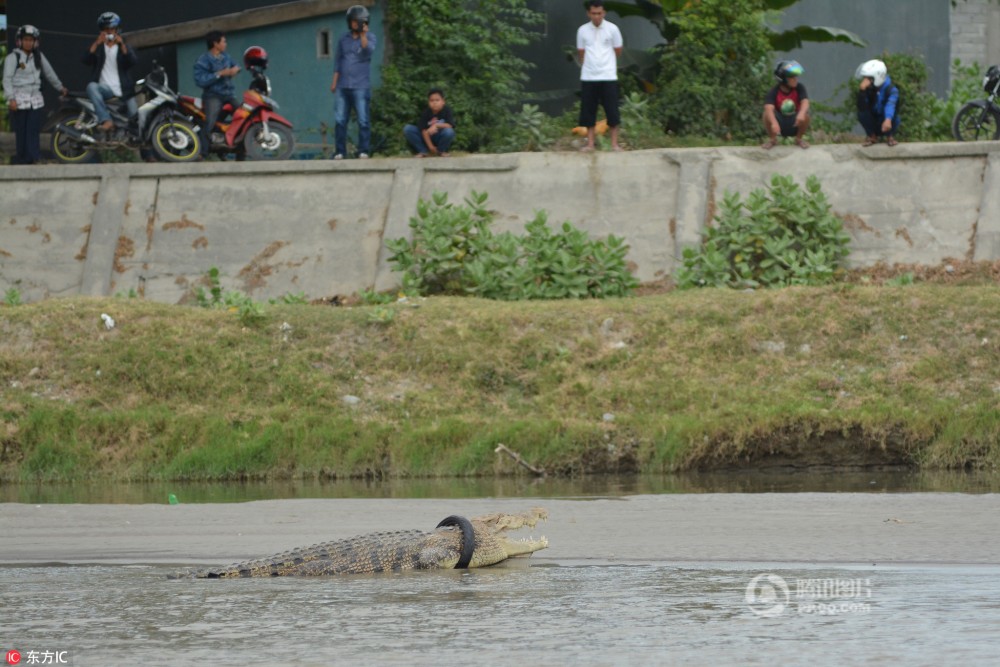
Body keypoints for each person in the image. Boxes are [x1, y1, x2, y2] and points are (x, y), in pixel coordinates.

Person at [3, 25, 67, 165]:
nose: (28, 42)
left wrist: (60, 87)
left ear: (35, 42)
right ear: (19, 41)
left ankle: (35, 157)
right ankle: (23, 160)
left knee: (33, 130)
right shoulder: (13, 57)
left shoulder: (39, 56)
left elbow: (49, 73)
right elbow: (6, 79)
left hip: (35, 99)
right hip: (19, 99)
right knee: (22, 132)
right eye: (25, 39)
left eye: (31, 40)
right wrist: (11, 98)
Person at [576, 0, 623, 153]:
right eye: (594, 13)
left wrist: (605, 65)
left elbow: (618, 50)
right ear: (588, 13)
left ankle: (614, 144)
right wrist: (590, 66)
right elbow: (581, 52)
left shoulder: (612, 29)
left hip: (608, 75)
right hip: (589, 76)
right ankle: (590, 144)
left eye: (599, 13)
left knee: (612, 111)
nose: (597, 17)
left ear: (604, 13)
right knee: (589, 110)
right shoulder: (582, 30)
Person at [330, 5, 376, 159]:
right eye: (353, 21)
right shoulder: (343, 38)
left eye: (358, 21)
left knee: (363, 119)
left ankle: (363, 150)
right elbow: (338, 60)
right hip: (343, 85)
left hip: (360, 86)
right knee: (340, 120)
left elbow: (367, 51)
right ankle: (340, 151)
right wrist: (334, 82)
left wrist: (364, 34)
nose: (354, 24)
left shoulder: (370, 37)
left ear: (364, 22)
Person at [82, 11, 138, 132]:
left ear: (117, 30)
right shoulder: (99, 48)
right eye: (106, 29)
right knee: (91, 86)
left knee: (136, 120)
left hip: (124, 90)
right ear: (101, 31)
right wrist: (97, 43)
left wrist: (122, 45)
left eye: (112, 29)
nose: (109, 32)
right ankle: (106, 120)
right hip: (105, 89)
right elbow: (85, 60)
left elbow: (132, 62)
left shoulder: (124, 46)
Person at [194, 30, 241, 159]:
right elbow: (200, 80)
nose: (226, 44)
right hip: (213, 96)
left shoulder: (226, 56)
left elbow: (236, 65)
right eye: (223, 41)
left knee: (242, 115)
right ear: (215, 43)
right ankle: (202, 153)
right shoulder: (203, 60)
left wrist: (235, 70)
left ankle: (241, 150)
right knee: (209, 122)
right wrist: (219, 74)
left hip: (229, 94)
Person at [762, 60, 810, 150]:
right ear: (783, 78)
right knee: (766, 114)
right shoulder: (774, 91)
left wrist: (801, 113)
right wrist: (773, 122)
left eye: (796, 76)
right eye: (792, 77)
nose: (796, 78)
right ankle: (773, 139)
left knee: (806, 115)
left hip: (795, 122)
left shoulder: (800, 88)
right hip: (779, 124)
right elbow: (768, 108)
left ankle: (798, 139)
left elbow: (805, 102)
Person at [856, 59, 900, 147]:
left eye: (869, 78)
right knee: (861, 113)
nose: (866, 81)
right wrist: (862, 92)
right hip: (874, 120)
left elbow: (890, 105)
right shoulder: (869, 89)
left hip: (887, 121)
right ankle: (872, 136)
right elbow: (862, 107)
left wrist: (888, 119)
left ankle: (890, 136)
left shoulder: (891, 90)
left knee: (893, 114)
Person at [403, 88, 456, 157]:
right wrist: (431, 147)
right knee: (408, 129)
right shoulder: (426, 112)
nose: (434, 102)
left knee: (449, 132)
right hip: (427, 137)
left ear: (443, 101)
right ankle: (423, 151)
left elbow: (450, 125)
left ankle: (441, 151)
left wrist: (436, 125)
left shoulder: (446, 110)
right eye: (432, 100)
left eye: (437, 100)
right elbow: (423, 130)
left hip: (439, 136)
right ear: (428, 102)